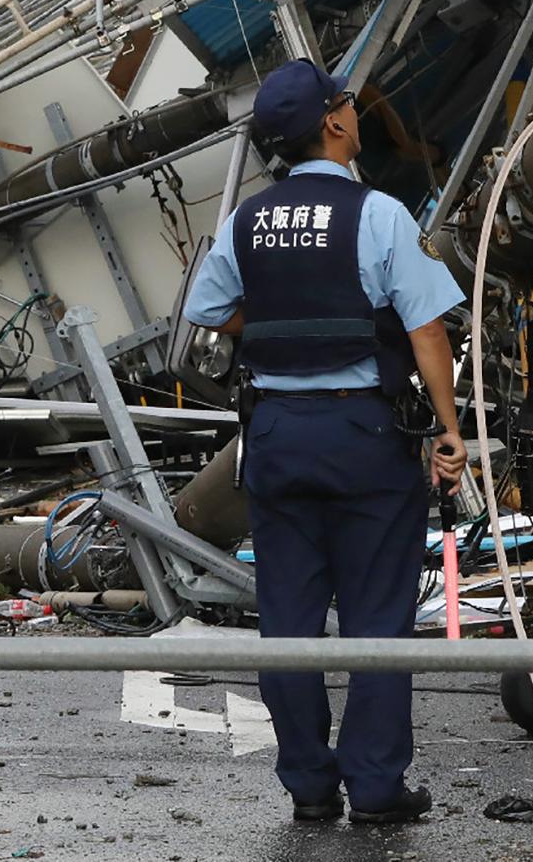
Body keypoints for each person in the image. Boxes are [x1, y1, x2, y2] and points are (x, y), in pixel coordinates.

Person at [183, 58, 469, 827]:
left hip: (275, 435)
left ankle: (309, 785)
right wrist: (449, 430)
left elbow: (210, 308)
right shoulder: (379, 215)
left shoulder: (249, 220)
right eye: (345, 104)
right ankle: (376, 788)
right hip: (364, 433)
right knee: (378, 615)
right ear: (336, 123)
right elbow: (428, 329)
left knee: (288, 617)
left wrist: (275, 327)